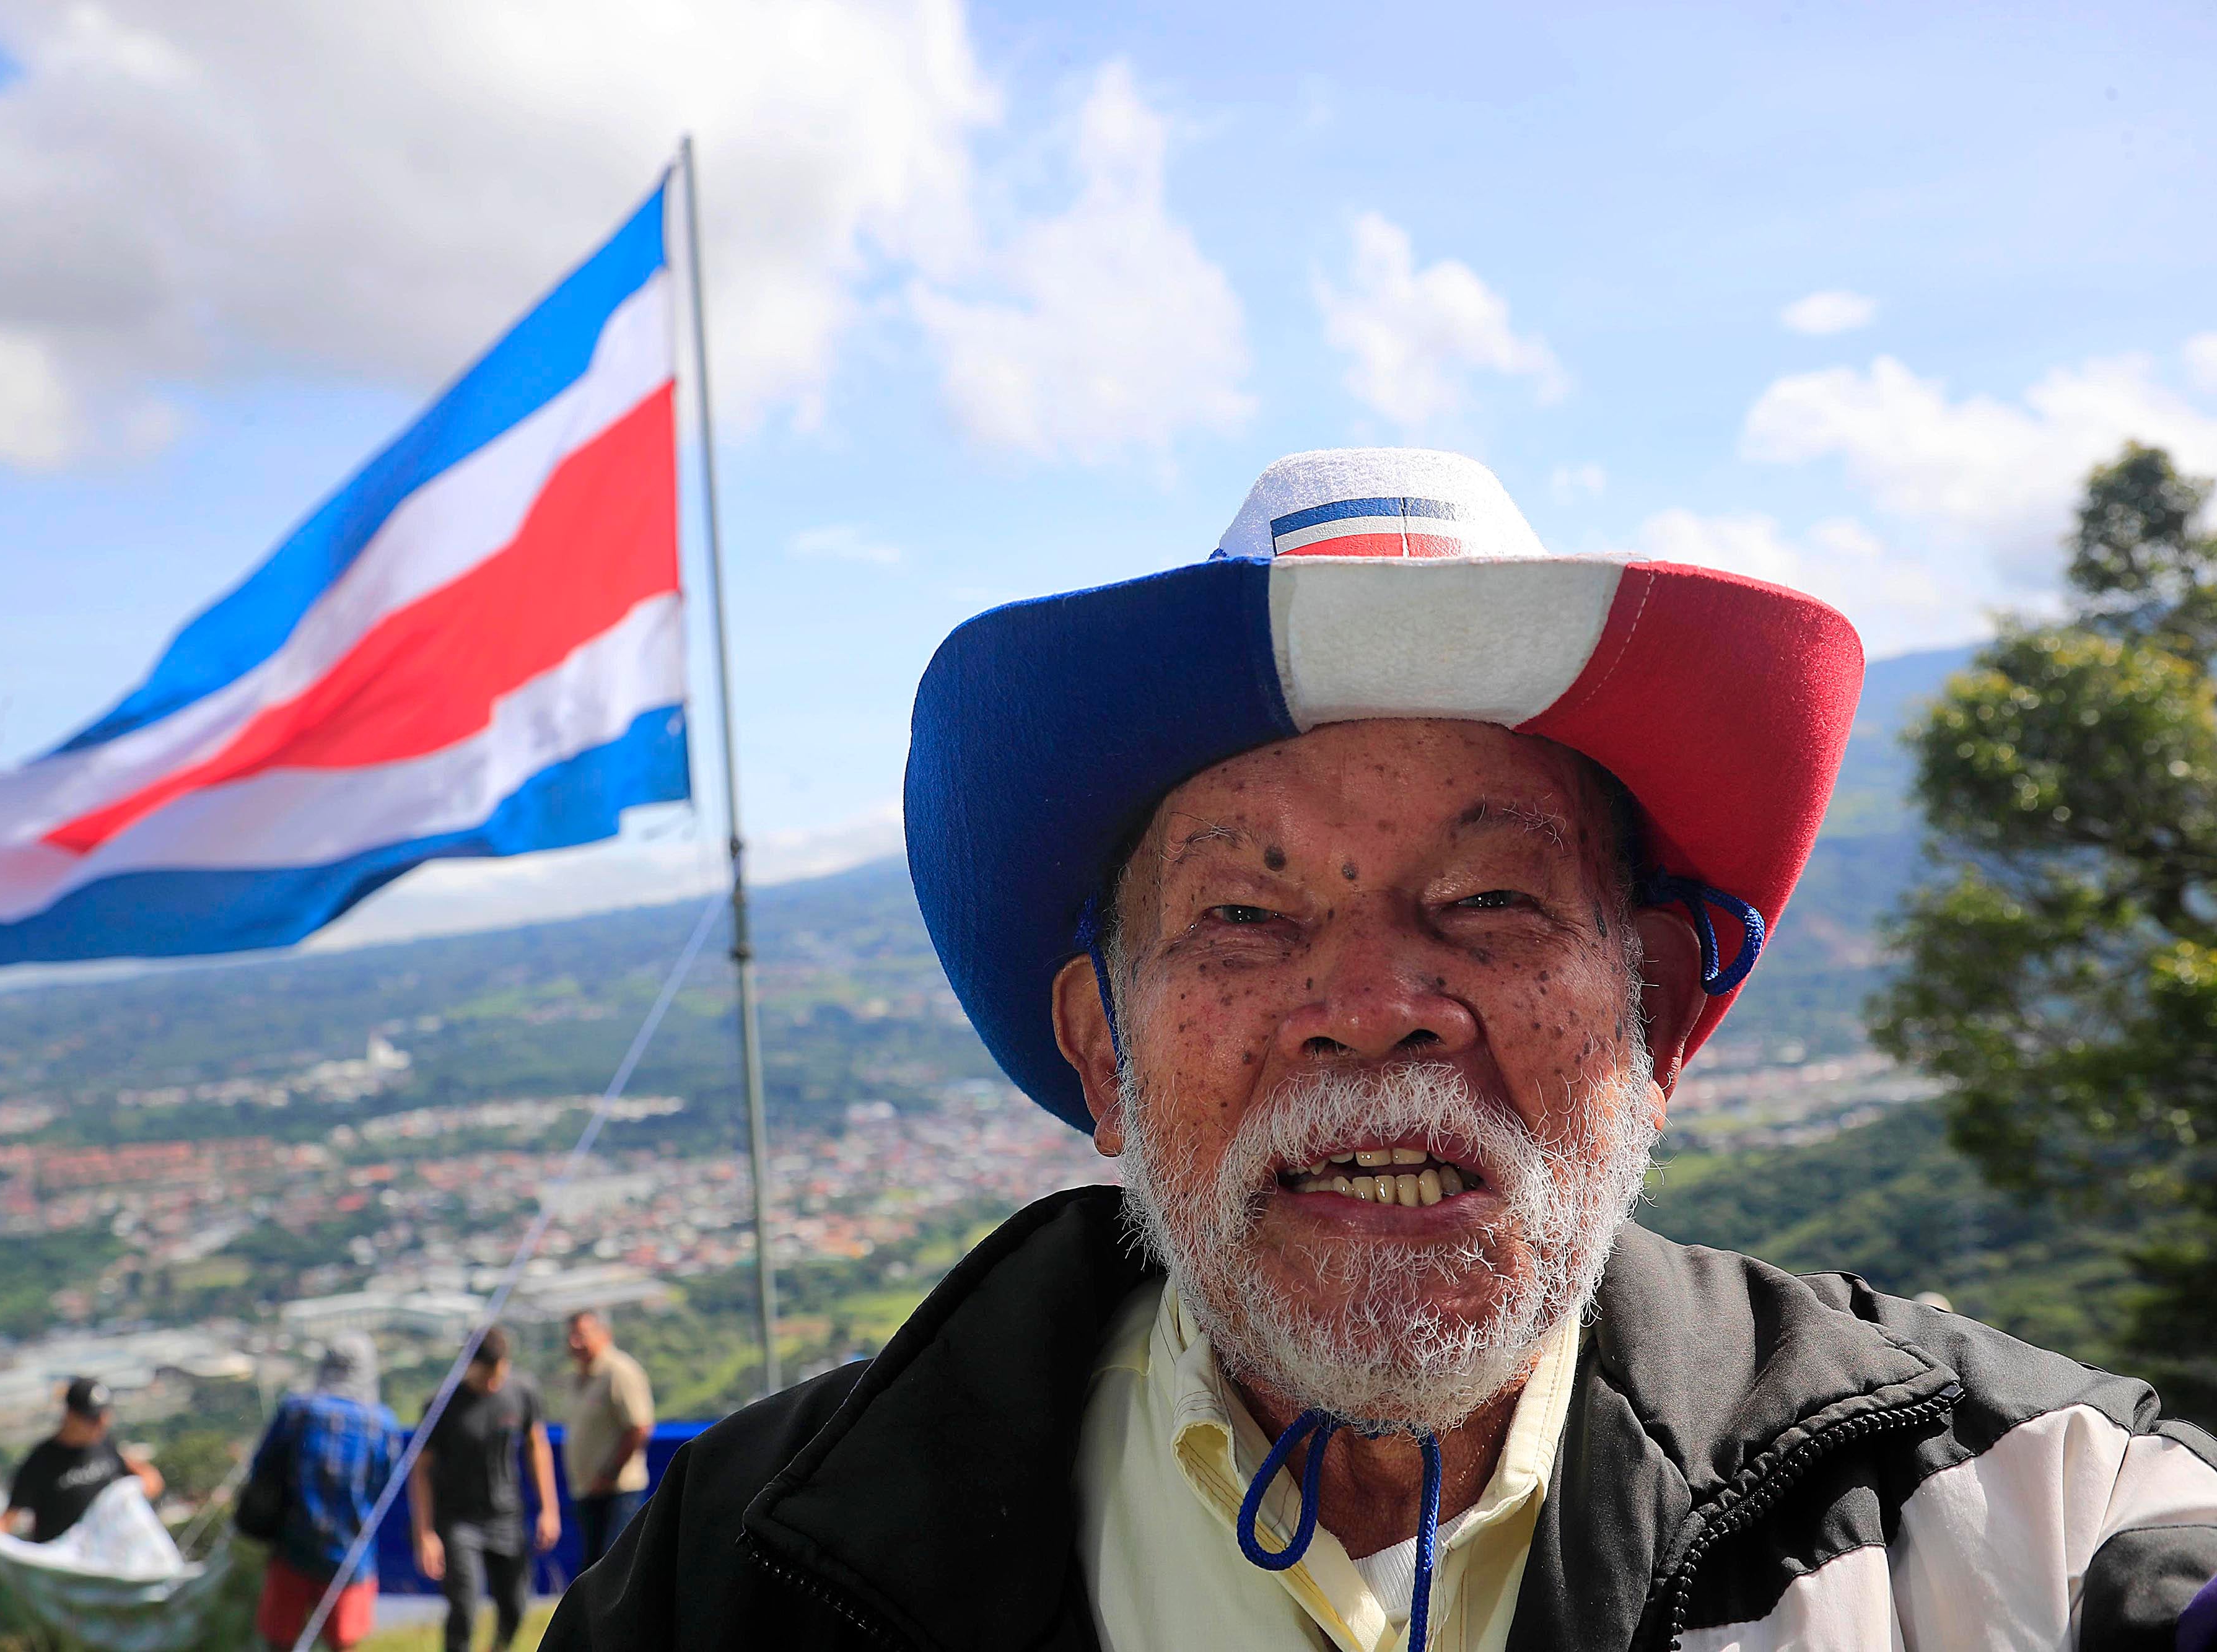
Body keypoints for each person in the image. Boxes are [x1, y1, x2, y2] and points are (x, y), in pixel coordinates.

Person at [544, 448, 2217, 1651]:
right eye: (1247, 919)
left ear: (1655, 1013)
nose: (1376, 999)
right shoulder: (736, 1582)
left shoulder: (2006, 1516)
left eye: (1492, 895)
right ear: (1105, 1056)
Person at [244, 1332, 401, 1652]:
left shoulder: (297, 1410)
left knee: (281, 1640)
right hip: (351, 1554)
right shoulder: (382, 1424)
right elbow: (384, 1488)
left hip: (292, 1546)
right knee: (343, 1643)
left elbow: (262, 1467)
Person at [414, 1324, 561, 1652]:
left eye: (499, 1373)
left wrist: (549, 1509)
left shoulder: (522, 1392)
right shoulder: (441, 1405)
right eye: (486, 1377)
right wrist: (425, 1533)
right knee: (464, 1606)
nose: (493, 1383)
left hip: (507, 1516)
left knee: (515, 1606)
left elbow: (537, 1446)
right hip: (458, 1521)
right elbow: (420, 1471)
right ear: (468, 1366)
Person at [0, 1376, 162, 1543]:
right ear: (70, 1415)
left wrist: (142, 1485)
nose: (101, 1424)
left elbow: (142, 1475)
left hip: (106, 1554)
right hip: (63, 1561)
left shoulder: (104, 1443)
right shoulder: (40, 1462)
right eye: (92, 1419)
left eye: (104, 1415)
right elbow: (8, 1520)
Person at [557, 1309, 654, 1566]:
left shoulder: (619, 1371)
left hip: (618, 1492)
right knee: (593, 1571)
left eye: (582, 1335)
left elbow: (639, 1428)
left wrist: (608, 1474)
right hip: (587, 1491)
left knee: (615, 1568)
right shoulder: (577, 1376)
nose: (575, 1343)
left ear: (604, 1334)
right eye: (571, 1336)